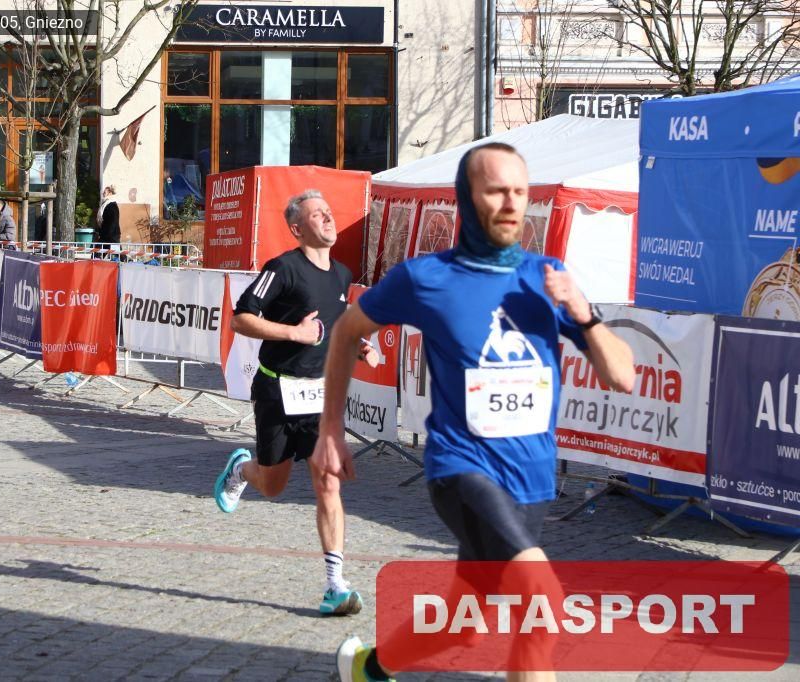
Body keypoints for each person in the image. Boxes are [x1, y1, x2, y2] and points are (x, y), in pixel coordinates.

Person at [315, 143, 636, 681]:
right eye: (496, 192)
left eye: (520, 192)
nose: (511, 204)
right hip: (462, 469)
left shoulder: (547, 276)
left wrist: (584, 314)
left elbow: (622, 375)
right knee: (542, 603)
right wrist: (330, 430)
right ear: (467, 199)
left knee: (466, 620)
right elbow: (347, 331)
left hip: (531, 479)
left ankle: (368, 668)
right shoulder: (426, 278)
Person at [213, 189, 378, 616]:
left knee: (328, 482)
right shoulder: (283, 268)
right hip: (276, 391)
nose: (327, 218)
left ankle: (335, 585)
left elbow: (335, 323)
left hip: (319, 396)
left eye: (328, 211)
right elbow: (240, 318)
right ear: (297, 228)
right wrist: (294, 334)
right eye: (317, 214)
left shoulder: (342, 274)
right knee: (273, 486)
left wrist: (359, 345)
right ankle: (242, 469)